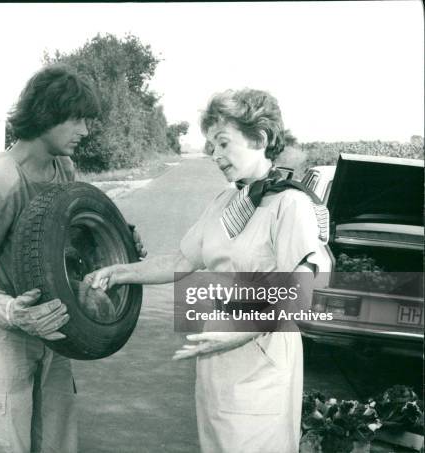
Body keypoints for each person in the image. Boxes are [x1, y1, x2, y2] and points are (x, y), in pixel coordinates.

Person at [87, 88, 328, 453]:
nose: (214, 155)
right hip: (217, 353)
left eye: (223, 143)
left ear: (259, 138)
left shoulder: (291, 204)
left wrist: (241, 333)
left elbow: (303, 291)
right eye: (211, 145)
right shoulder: (224, 202)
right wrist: (119, 272)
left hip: (261, 354)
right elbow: (180, 261)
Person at [0, 64, 144, 453]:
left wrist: (114, 245)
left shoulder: (63, 168)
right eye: (77, 120)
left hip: (56, 331)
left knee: (57, 443)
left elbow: (64, 236)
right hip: (7, 336)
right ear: (47, 114)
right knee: (7, 444)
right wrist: (8, 309)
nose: (85, 132)